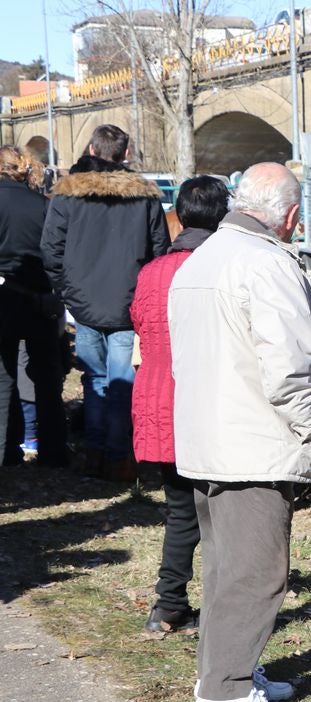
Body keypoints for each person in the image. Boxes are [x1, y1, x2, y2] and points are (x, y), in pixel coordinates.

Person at [169, 162, 311, 702]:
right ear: (290, 216)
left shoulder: (202, 257)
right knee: (257, 569)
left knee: (224, 565)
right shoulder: (268, 263)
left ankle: (225, 671)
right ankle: (225, 694)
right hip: (255, 440)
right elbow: (287, 370)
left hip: (209, 434)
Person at [41, 124, 170, 481]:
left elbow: (50, 249)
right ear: (125, 155)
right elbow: (159, 250)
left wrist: (66, 290)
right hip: (127, 302)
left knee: (97, 380)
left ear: (93, 151)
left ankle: (95, 453)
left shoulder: (69, 195)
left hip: (84, 302)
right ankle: (116, 456)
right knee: (121, 383)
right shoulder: (144, 196)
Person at [130, 176, 230, 633]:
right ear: (222, 215)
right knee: (222, 512)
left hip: (156, 399)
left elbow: (139, 323)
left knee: (180, 508)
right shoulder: (217, 267)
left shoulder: (151, 271)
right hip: (202, 401)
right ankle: (223, 609)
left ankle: (169, 603)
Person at [0, 145, 67, 469]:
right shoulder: (43, 205)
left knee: (4, 378)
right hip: (40, 298)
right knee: (47, 377)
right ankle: (54, 450)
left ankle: (6, 450)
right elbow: (55, 254)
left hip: (3, 296)